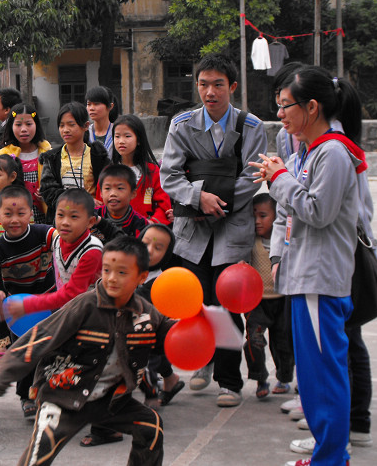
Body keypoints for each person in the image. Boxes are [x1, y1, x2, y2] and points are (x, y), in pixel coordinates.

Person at [250, 65, 366, 466]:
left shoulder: (333, 151)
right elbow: (289, 210)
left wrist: (278, 177)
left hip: (320, 279)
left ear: (312, 107)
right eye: (277, 106)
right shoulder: (311, 151)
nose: (279, 114)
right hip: (302, 275)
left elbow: (317, 211)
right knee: (313, 377)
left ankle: (333, 457)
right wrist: (279, 257)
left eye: (286, 106)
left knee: (324, 375)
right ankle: (326, 451)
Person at [0, 236, 172, 466]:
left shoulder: (146, 314)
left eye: (122, 272)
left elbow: (169, 333)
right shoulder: (84, 305)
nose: (112, 278)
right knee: (39, 455)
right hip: (63, 397)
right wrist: (4, 373)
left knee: (151, 428)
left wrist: (195, 325)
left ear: (142, 277)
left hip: (109, 401)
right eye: (106, 270)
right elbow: (41, 337)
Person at [160, 53, 267, 408]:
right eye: (203, 84)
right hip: (193, 227)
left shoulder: (251, 126)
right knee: (194, 303)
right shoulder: (182, 125)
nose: (210, 92)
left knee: (227, 304)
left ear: (232, 87)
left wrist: (217, 201)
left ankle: (230, 381)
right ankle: (200, 362)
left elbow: (252, 177)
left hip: (232, 225)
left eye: (218, 84)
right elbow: (170, 175)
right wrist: (197, 197)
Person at [0, 185, 55, 418]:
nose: (14, 219)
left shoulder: (44, 233)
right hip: (20, 311)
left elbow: (64, 240)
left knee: (54, 349)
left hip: (50, 302)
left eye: (21, 213)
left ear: (31, 212)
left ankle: (53, 392)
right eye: (8, 214)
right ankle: (26, 396)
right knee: (24, 352)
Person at [4, 188, 102, 320]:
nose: (65, 222)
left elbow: (71, 293)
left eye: (73, 216)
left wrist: (28, 304)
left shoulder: (91, 251)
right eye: (60, 215)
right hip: (69, 311)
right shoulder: (57, 241)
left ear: (90, 222)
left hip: (93, 315)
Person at [243, 193, 294, 399]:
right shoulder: (249, 241)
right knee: (253, 340)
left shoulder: (284, 242)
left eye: (263, 216)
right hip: (257, 302)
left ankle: (284, 377)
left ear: (276, 216)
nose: (257, 221)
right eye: (254, 216)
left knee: (283, 342)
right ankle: (260, 378)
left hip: (282, 299)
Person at [136, 224, 183, 406]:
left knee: (150, 358)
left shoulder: (161, 282)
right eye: (146, 243)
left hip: (151, 332)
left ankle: (152, 395)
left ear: (167, 255)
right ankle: (171, 379)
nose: (149, 250)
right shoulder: (133, 269)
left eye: (158, 248)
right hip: (136, 329)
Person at [39, 102, 109, 220]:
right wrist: (80, 201)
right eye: (62, 126)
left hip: (93, 218)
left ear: (86, 126)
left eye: (71, 125)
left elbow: (107, 185)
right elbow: (48, 191)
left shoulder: (97, 155)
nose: (65, 130)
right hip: (63, 220)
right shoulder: (52, 158)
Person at [98, 114, 172, 225]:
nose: (121, 141)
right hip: (113, 230)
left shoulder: (152, 171)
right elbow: (101, 204)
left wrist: (151, 223)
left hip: (145, 231)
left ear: (139, 140)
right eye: (117, 136)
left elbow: (164, 205)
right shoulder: (108, 172)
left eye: (127, 136)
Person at [0, 103, 52, 223]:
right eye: (18, 124)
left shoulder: (48, 153)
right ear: (11, 126)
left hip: (45, 221)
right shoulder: (2, 157)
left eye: (29, 124)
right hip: (13, 222)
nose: (24, 129)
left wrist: (48, 194)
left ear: (36, 125)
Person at [95, 164, 149, 239]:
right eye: (107, 188)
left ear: (133, 194)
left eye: (120, 188)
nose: (113, 193)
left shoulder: (140, 223)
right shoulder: (93, 215)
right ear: (101, 193)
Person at [86, 85, 118, 157]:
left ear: (110, 106)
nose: (91, 108)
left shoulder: (118, 132)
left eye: (96, 104)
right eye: (89, 104)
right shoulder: (85, 133)